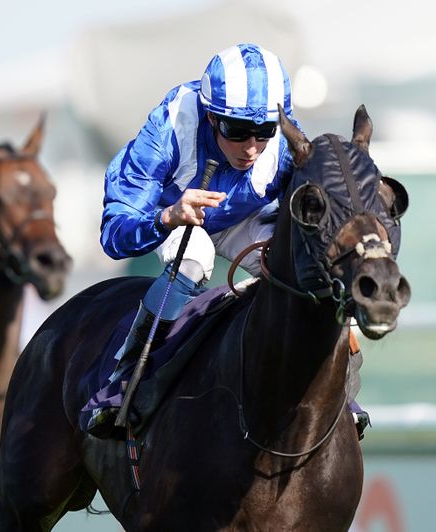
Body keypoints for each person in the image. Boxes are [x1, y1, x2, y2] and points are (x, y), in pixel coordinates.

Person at [86, 43, 369, 439]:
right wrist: (167, 216)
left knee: (307, 266)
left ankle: (342, 391)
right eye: (236, 132)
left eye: (263, 132)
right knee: (195, 256)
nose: (251, 147)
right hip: (181, 214)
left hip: (244, 219)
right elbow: (115, 234)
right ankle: (125, 382)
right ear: (210, 116)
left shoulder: (284, 141)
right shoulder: (169, 127)